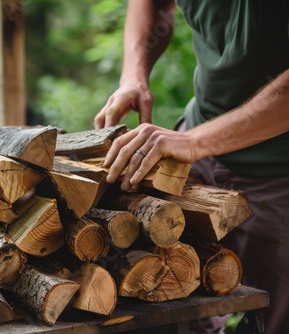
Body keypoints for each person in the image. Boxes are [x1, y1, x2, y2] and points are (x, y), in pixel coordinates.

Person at [94, 1, 289, 333]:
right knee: (169, 308)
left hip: (278, 172)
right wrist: (134, 75)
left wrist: (196, 142)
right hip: (199, 151)